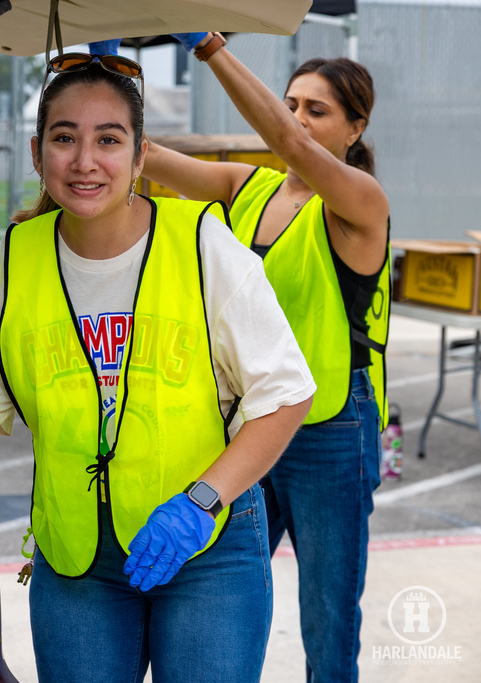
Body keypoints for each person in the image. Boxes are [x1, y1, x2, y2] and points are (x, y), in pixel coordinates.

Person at [0, 49, 315, 682]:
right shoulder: (13, 261)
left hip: (205, 543)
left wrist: (199, 503)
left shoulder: (201, 242)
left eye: (108, 140)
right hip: (77, 558)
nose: (85, 161)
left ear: (141, 156)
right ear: (37, 154)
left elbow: (286, 393)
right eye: (64, 138)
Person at [141, 32, 390, 683]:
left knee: (328, 620)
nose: (297, 119)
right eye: (291, 103)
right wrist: (92, 72)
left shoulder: (361, 203)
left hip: (331, 430)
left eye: (317, 110)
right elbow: (141, 155)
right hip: (253, 426)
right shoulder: (247, 189)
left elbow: (291, 146)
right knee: (225, 589)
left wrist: (209, 46)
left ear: (356, 128)